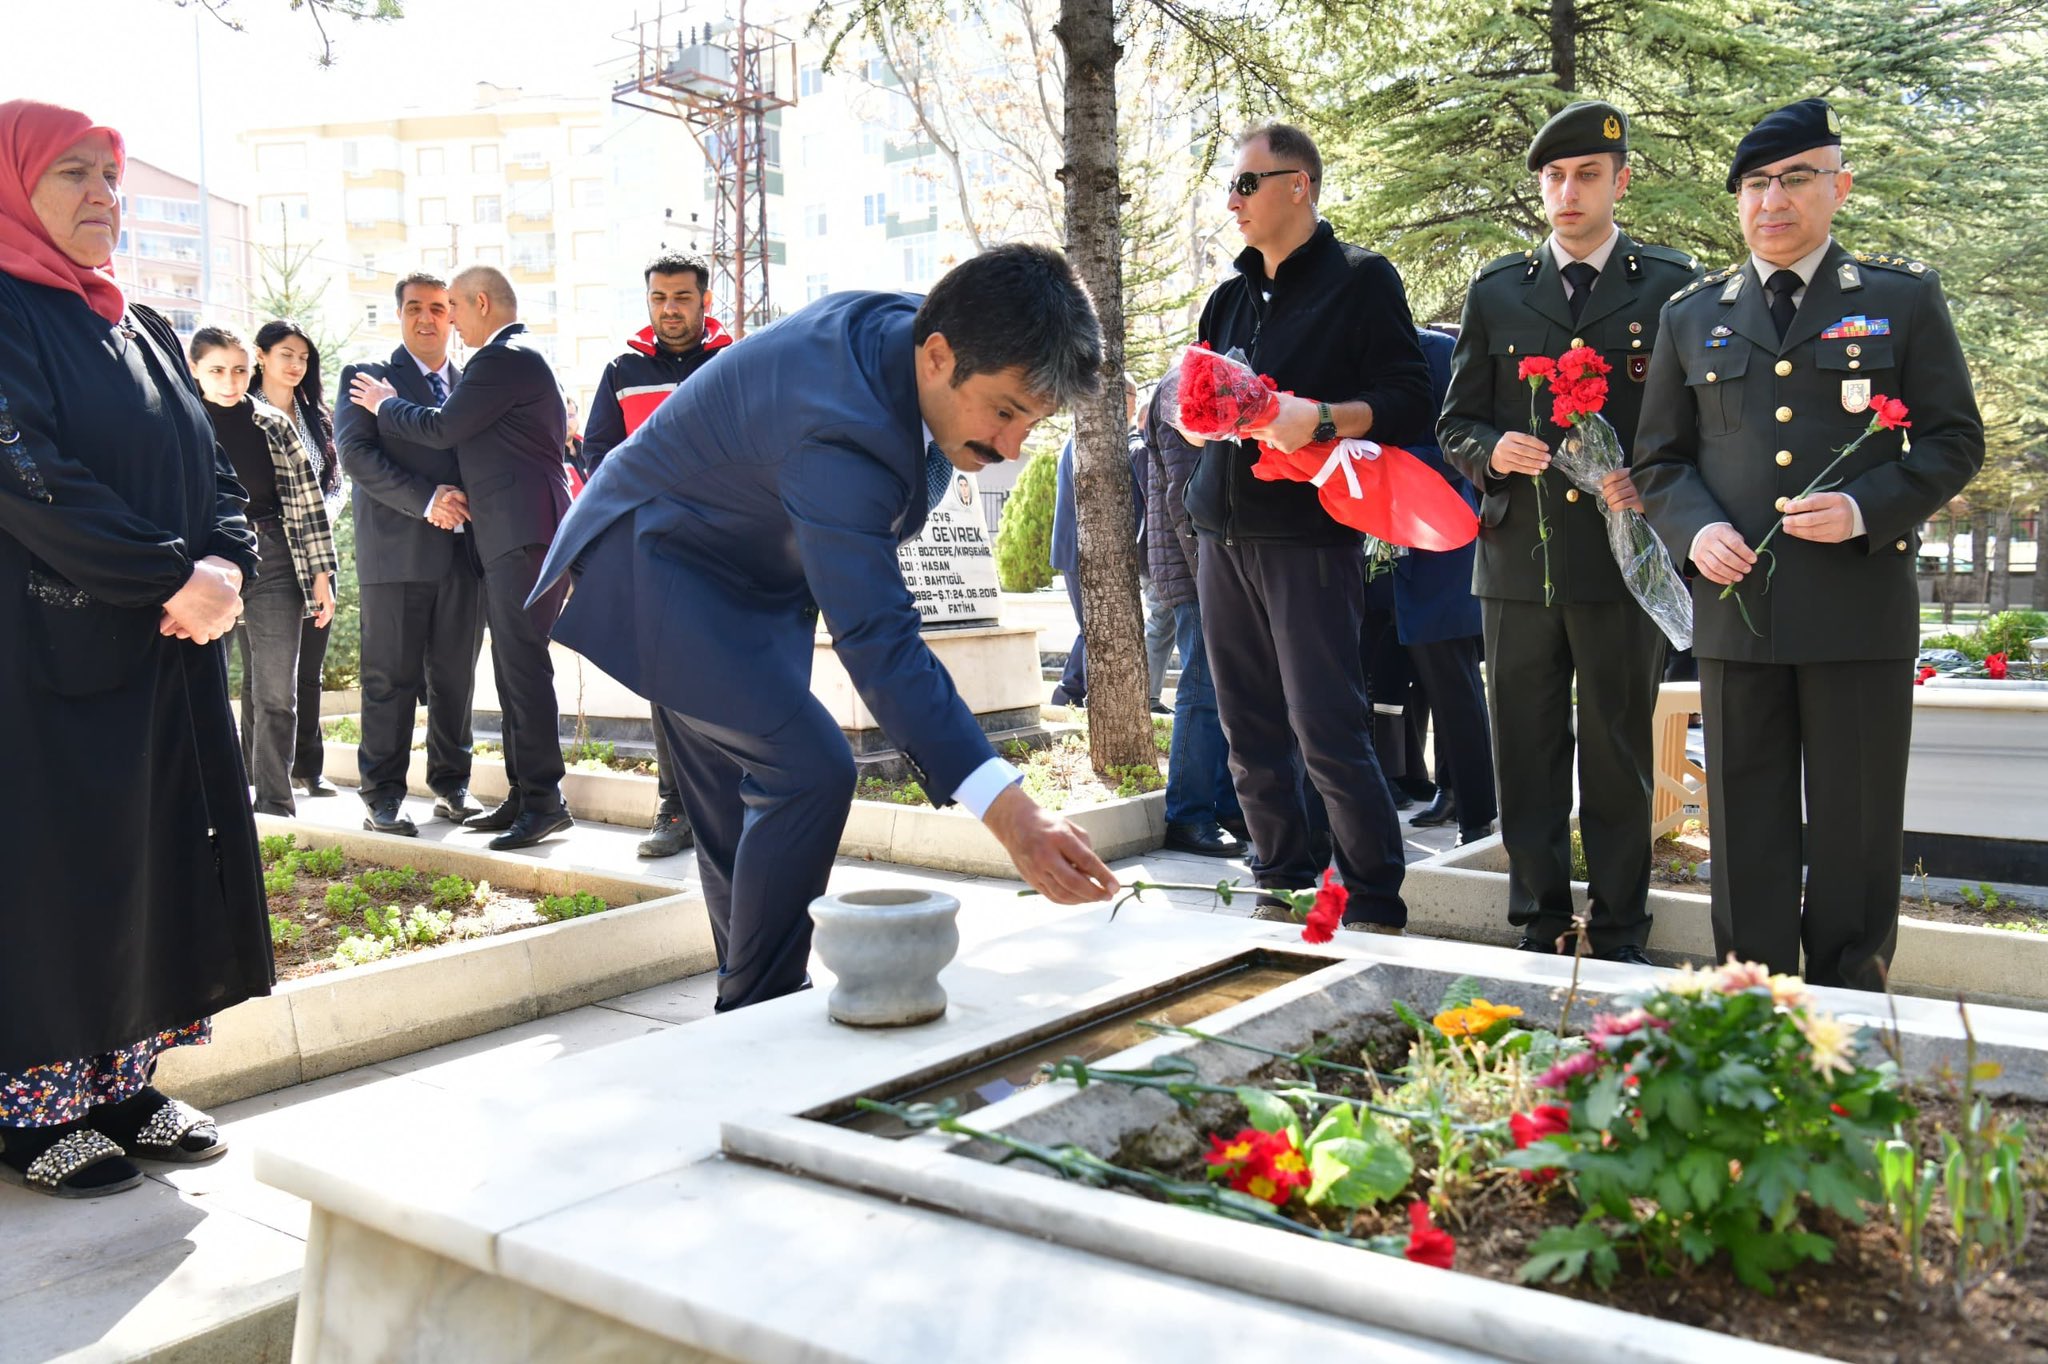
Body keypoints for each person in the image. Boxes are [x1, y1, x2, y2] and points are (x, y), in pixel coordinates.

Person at [532, 244, 1121, 1012]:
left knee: (734, 809)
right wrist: (1007, 808)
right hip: (658, 562)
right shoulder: (843, 425)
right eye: (1006, 412)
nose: (1010, 446)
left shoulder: (922, 333)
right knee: (809, 768)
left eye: (1031, 424)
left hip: (743, 572)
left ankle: (749, 1009)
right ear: (939, 355)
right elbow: (878, 636)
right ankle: (763, 1012)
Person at [1635, 98, 1983, 990]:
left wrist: (1869, 507)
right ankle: (1753, 1003)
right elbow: (1660, 460)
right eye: (1755, 183)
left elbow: (1952, 439)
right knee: (1744, 823)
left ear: (1839, 186)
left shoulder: (1901, 301)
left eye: (1795, 178)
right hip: (1736, 607)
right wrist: (1695, 527)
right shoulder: (1690, 315)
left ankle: (1849, 1006)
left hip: (1854, 608)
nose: (1773, 200)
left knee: (1855, 824)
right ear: (1738, 200)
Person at [0, 99, 269, 1198]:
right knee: (58, 866)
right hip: (45, 655)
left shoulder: (141, 323)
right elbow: (30, 474)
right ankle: (29, 1102)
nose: (104, 198)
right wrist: (172, 576)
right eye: (73, 175)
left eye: (110, 176)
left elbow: (212, 471)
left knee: (155, 852)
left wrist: (227, 568)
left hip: (164, 649)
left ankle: (123, 1080)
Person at [1438, 101, 1701, 964]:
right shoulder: (1498, 290)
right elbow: (1457, 422)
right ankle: (1541, 920)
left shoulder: (1668, 286)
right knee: (1526, 753)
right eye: (1554, 177)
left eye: (1587, 174)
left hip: (1621, 560)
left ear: (1619, 182)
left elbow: (1696, 423)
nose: (1568, 191)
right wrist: (1492, 450)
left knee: (1620, 753)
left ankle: (1622, 926)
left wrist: (1655, 486)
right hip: (1519, 558)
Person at [1180, 122, 1431, 932]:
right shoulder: (1228, 294)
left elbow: (1407, 399)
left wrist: (1321, 419)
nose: (1234, 201)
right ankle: (1282, 882)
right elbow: (1205, 394)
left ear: (1301, 185)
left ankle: (1371, 901)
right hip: (1221, 530)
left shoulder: (1362, 280)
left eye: (1249, 184)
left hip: (1311, 536)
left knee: (1325, 725)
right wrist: (1194, 419)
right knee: (1246, 729)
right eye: (1231, 186)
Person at [350, 265, 573, 852]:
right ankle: (528, 796)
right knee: (511, 670)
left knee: (521, 669)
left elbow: (445, 427)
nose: (441, 319)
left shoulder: (502, 359)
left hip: (519, 532)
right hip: (492, 538)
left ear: (476, 304)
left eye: (449, 306)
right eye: (420, 308)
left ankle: (546, 801)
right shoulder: (506, 360)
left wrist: (386, 404)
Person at [582, 251, 733, 858]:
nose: (670, 309)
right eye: (659, 299)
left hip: (726, 544)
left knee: (729, 674)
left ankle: (729, 799)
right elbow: (597, 451)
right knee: (664, 681)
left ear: (705, 301)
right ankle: (675, 807)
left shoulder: (733, 360)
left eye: (682, 298)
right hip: (654, 547)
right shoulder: (621, 369)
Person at [334, 272, 485, 837]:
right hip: (395, 557)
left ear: (454, 317)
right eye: (415, 308)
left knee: (455, 680)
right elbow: (356, 455)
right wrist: (427, 502)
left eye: (439, 309)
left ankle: (452, 786)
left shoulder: (475, 383)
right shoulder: (366, 378)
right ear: (400, 315)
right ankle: (383, 797)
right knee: (388, 680)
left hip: (464, 559)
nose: (427, 318)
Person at [190, 327, 339, 818]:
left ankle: (275, 803)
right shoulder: (180, 423)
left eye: (238, 370)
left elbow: (308, 504)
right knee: (205, 686)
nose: (230, 381)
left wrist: (321, 575)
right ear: (195, 370)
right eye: (216, 370)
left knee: (277, 690)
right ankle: (212, 797)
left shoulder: (273, 423)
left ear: (251, 369)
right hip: (204, 562)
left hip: (274, 552)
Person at [1399, 326, 1496, 845]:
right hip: (1388, 543)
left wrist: (1390, 462)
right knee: (1418, 680)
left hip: (1442, 538)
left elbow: (1461, 443)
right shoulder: (1361, 354)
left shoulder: (1437, 352)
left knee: (1452, 679)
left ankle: (1475, 808)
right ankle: (1446, 786)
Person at [1141, 381, 1245, 858]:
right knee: (1202, 690)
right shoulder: (1186, 383)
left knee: (1226, 692)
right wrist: (1211, 574)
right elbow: (1185, 496)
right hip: (1197, 567)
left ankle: (1224, 804)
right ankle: (1188, 815)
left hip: (1208, 564)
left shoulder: (1205, 375)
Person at [252, 318, 344, 799]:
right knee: (266, 677)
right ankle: (261, 774)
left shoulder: (317, 416)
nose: (295, 364)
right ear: (261, 355)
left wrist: (319, 517)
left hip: (316, 555)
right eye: (286, 353)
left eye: (303, 357)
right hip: (267, 554)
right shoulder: (244, 412)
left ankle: (308, 766)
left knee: (309, 670)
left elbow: (335, 481)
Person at [1047, 376, 1144, 709]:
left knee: (1090, 625)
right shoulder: (1095, 439)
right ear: (1123, 399)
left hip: (1078, 549)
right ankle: (1080, 695)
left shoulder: (1087, 436)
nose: (1134, 405)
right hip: (1083, 550)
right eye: (1134, 396)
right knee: (1095, 626)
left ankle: (1068, 693)